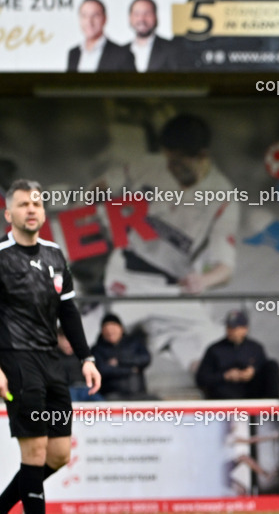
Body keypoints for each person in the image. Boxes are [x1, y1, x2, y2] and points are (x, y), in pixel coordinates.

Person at [96, 113, 240, 371]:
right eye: (168, 159)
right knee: (89, 341)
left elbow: (225, 268)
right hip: (128, 277)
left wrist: (203, 281)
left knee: (212, 356)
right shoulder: (148, 166)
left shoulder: (223, 197)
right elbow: (103, 185)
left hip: (174, 288)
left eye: (178, 162)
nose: (171, 167)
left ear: (202, 155)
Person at [0, 180, 101, 514]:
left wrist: (86, 357)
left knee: (59, 455)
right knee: (35, 453)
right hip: (16, 361)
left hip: (51, 363)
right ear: (8, 213)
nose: (31, 209)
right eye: (24, 204)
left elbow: (68, 311)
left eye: (37, 204)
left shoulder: (56, 255)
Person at [195, 310, 279, 399]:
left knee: (273, 365)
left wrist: (252, 371)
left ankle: (273, 406)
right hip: (225, 392)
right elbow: (202, 378)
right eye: (228, 327)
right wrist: (225, 376)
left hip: (251, 390)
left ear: (245, 329)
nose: (231, 331)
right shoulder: (214, 349)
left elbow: (264, 368)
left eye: (234, 327)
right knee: (219, 390)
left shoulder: (255, 348)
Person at [92, 313, 153, 400]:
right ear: (102, 331)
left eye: (113, 328)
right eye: (107, 329)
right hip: (112, 395)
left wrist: (120, 361)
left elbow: (145, 358)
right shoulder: (97, 349)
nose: (110, 332)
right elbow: (103, 370)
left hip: (138, 393)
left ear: (121, 328)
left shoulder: (133, 343)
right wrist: (131, 369)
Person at [66, 0, 135, 72]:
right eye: (84, 16)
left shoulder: (123, 55)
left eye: (95, 15)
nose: (89, 22)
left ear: (105, 18)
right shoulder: (74, 54)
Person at [128, 0, 181, 72]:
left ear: (155, 16)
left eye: (147, 13)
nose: (141, 19)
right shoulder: (120, 52)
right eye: (136, 14)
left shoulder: (172, 49)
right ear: (130, 17)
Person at [57, 328, 101, 402]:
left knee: (102, 403)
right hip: (67, 389)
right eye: (65, 340)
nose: (69, 344)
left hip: (86, 388)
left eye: (71, 340)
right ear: (58, 338)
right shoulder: (53, 356)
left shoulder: (83, 355)